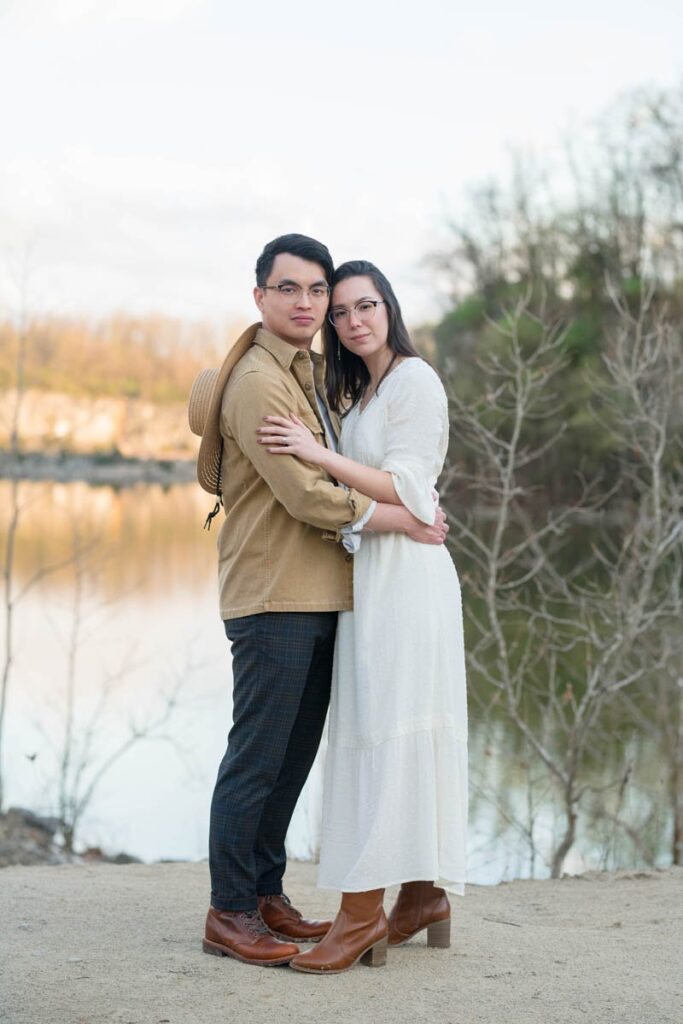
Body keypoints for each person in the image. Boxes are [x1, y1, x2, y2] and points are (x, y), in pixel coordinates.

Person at [188, 236, 449, 968]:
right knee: (256, 759)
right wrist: (403, 517)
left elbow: (381, 463)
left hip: (319, 593)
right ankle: (230, 911)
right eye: (290, 290)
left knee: (289, 760)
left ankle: (266, 895)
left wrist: (406, 501)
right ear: (260, 297)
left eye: (317, 293)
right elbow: (305, 491)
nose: (306, 305)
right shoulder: (259, 382)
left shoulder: (307, 373)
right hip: (272, 594)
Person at [257, 259, 468, 974]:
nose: (352, 320)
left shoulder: (414, 380)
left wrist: (317, 453)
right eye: (341, 311)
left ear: (389, 308)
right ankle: (419, 898)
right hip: (370, 575)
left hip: (408, 581)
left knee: (389, 729)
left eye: (364, 305)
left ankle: (360, 917)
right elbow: (383, 500)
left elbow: (408, 489)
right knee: (377, 728)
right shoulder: (360, 392)